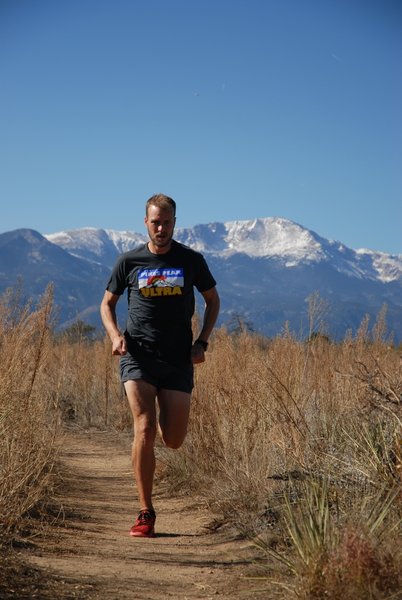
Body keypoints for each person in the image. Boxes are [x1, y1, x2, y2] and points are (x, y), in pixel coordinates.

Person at [100, 194, 220, 538]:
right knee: (144, 427)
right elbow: (107, 304)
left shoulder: (191, 260)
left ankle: (150, 488)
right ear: (146, 222)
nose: (161, 228)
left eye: (167, 222)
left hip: (178, 359)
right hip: (137, 355)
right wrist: (114, 336)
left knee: (174, 440)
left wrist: (202, 342)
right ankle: (145, 511)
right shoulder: (129, 261)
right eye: (156, 222)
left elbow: (213, 301)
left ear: (174, 223)